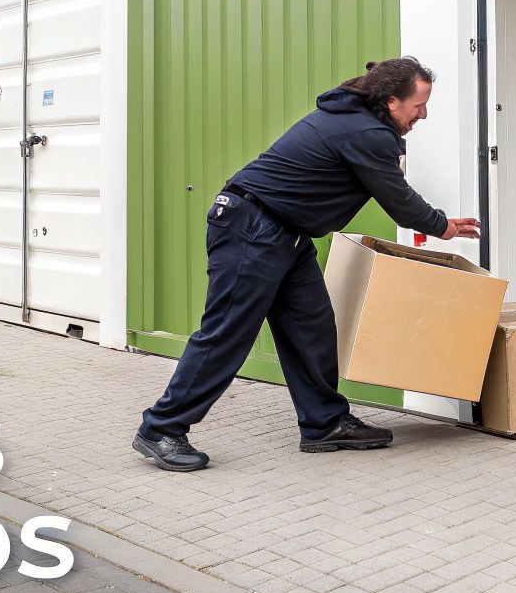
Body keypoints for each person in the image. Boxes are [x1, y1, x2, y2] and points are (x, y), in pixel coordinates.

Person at [134, 57, 482, 471]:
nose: (422, 114)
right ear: (391, 101)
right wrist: (441, 226)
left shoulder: (355, 119)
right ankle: (161, 428)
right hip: (253, 228)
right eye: (418, 105)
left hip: (285, 234)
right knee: (227, 333)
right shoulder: (367, 132)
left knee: (312, 328)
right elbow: (398, 198)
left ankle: (325, 422)